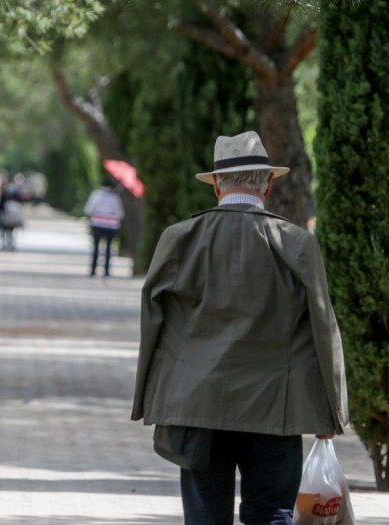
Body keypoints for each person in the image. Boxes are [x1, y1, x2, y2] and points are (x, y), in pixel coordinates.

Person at [131, 131, 349, 525]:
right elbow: (324, 328)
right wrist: (332, 413)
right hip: (276, 410)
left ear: (216, 184)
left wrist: (150, 399)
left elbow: (153, 320)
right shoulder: (296, 244)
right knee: (270, 514)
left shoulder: (179, 239)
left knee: (205, 517)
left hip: (197, 404)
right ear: (267, 183)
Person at [83, 177, 124, 277]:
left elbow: (88, 210)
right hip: (111, 226)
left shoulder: (96, 194)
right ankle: (106, 271)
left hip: (97, 224)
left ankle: (93, 270)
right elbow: (120, 214)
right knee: (108, 248)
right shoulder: (115, 197)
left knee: (96, 247)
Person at [0, 178, 24, 251]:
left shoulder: (10, 194)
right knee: (8, 231)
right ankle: (8, 244)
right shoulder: (6, 194)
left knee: (9, 231)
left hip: (9, 216)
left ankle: (8, 244)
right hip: (6, 216)